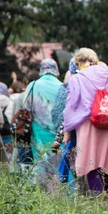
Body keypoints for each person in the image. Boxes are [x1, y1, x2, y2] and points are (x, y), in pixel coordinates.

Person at [64, 48, 108, 195]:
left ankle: (97, 197)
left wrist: (67, 130)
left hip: (89, 125)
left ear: (78, 62)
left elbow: (71, 105)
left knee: (91, 161)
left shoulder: (77, 78)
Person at [24, 59, 63, 189]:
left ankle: (40, 191)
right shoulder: (62, 86)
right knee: (57, 161)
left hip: (38, 130)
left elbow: (26, 107)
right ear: (56, 70)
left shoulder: (33, 85)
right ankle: (56, 190)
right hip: (58, 133)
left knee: (40, 161)